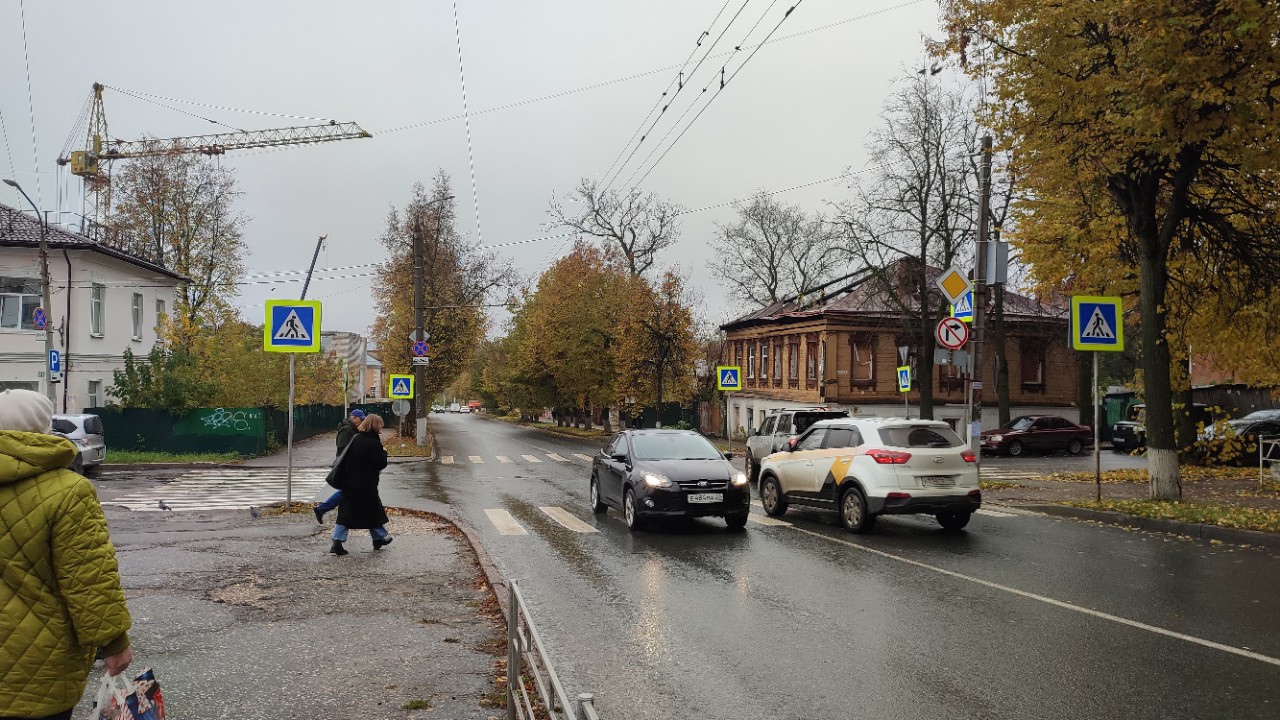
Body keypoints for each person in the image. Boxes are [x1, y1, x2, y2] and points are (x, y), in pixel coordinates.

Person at [0, 389, 133, 720]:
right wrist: (114, 643)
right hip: (37, 662)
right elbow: (87, 578)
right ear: (44, 427)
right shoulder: (68, 491)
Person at [328, 413, 393, 555]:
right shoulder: (373, 443)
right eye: (380, 425)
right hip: (365, 485)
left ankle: (377, 538)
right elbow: (379, 463)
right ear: (375, 426)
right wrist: (384, 453)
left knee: (348, 513)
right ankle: (338, 542)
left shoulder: (356, 438)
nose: (381, 428)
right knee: (371, 511)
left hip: (350, 483)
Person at [314, 409, 365, 524]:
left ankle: (322, 509)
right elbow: (343, 448)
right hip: (346, 465)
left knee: (349, 491)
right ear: (354, 418)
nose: (361, 422)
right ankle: (322, 509)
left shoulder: (351, 429)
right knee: (349, 491)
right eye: (361, 419)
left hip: (349, 465)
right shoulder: (347, 430)